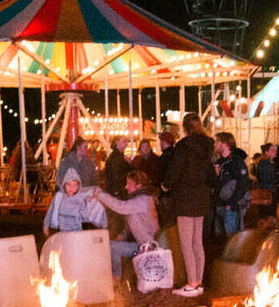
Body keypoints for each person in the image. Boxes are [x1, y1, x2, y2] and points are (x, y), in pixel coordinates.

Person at [166, 113, 214, 297]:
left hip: (186, 198)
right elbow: (210, 174)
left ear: (185, 127)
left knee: (186, 242)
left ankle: (192, 283)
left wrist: (166, 184)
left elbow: (174, 172)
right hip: (201, 198)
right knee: (197, 241)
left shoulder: (184, 146)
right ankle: (199, 281)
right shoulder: (207, 146)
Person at [91, 170, 159, 281]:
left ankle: (117, 278)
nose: (126, 187)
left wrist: (100, 194)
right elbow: (134, 221)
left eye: (129, 184)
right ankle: (116, 279)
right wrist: (124, 234)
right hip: (141, 244)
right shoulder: (138, 198)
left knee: (112, 246)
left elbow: (121, 207)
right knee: (112, 246)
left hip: (149, 247)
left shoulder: (143, 200)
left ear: (139, 185)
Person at [41, 170, 106, 235]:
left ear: (78, 186)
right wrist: (45, 225)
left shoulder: (80, 198)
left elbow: (85, 214)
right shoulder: (59, 197)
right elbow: (50, 210)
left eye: (75, 185)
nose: (71, 188)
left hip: (76, 234)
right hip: (62, 233)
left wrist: (90, 203)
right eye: (69, 184)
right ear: (64, 183)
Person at [212, 131, 249, 237]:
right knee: (220, 235)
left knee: (231, 235)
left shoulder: (236, 162)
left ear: (224, 143)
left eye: (216, 142)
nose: (214, 144)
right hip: (219, 204)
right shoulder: (219, 162)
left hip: (230, 205)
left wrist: (232, 202)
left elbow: (242, 183)